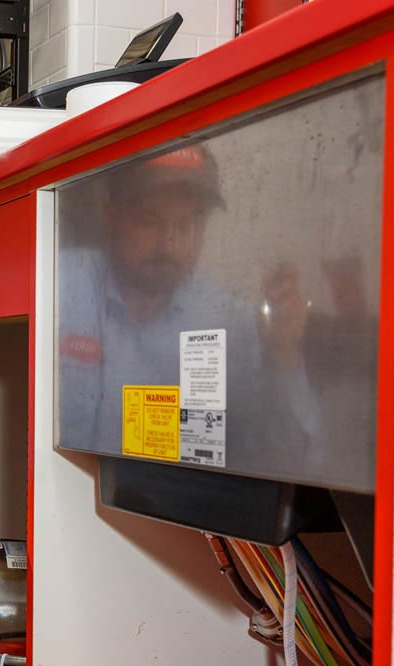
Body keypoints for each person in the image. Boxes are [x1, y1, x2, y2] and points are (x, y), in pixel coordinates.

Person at [56, 144, 320, 473]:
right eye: (149, 221)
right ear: (111, 217)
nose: (169, 244)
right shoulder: (57, 286)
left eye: (187, 225)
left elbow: (294, 462)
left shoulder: (225, 321)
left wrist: (284, 356)